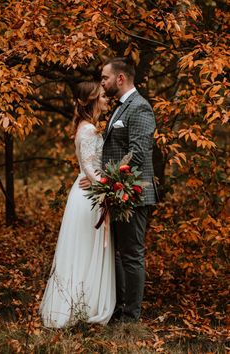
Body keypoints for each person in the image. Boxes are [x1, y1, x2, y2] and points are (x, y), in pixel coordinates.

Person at [80, 57, 157, 322]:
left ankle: (130, 316)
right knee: (118, 254)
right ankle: (117, 308)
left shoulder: (140, 108)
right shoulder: (120, 109)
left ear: (120, 78)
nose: (102, 82)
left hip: (133, 193)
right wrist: (97, 178)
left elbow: (137, 153)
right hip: (117, 192)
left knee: (132, 254)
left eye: (105, 78)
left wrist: (107, 182)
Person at [39, 82, 116, 328]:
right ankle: (80, 306)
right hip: (90, 195)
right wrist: (109, 188)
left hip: (86, 192)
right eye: (103, 96)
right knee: (84, 248)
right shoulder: (89, 130)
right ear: (90, 100)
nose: (107, 99)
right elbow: (90, 169)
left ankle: (83, 302)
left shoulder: (86, 128)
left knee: (84, 247)